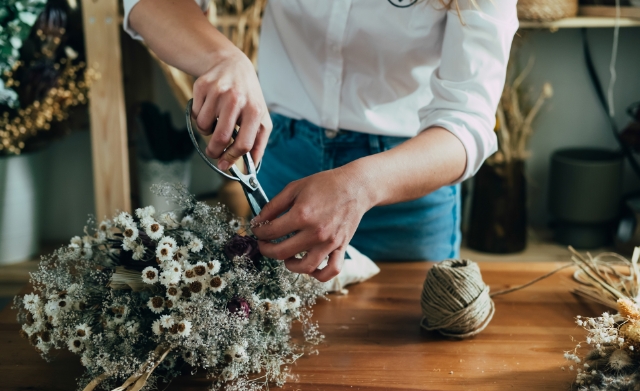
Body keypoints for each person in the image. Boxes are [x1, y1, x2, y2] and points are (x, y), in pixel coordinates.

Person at [124, 0, 518, 282]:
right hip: (282, 163)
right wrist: (221, 59)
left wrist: (361, 185)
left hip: (405, 186)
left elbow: (466, 123)